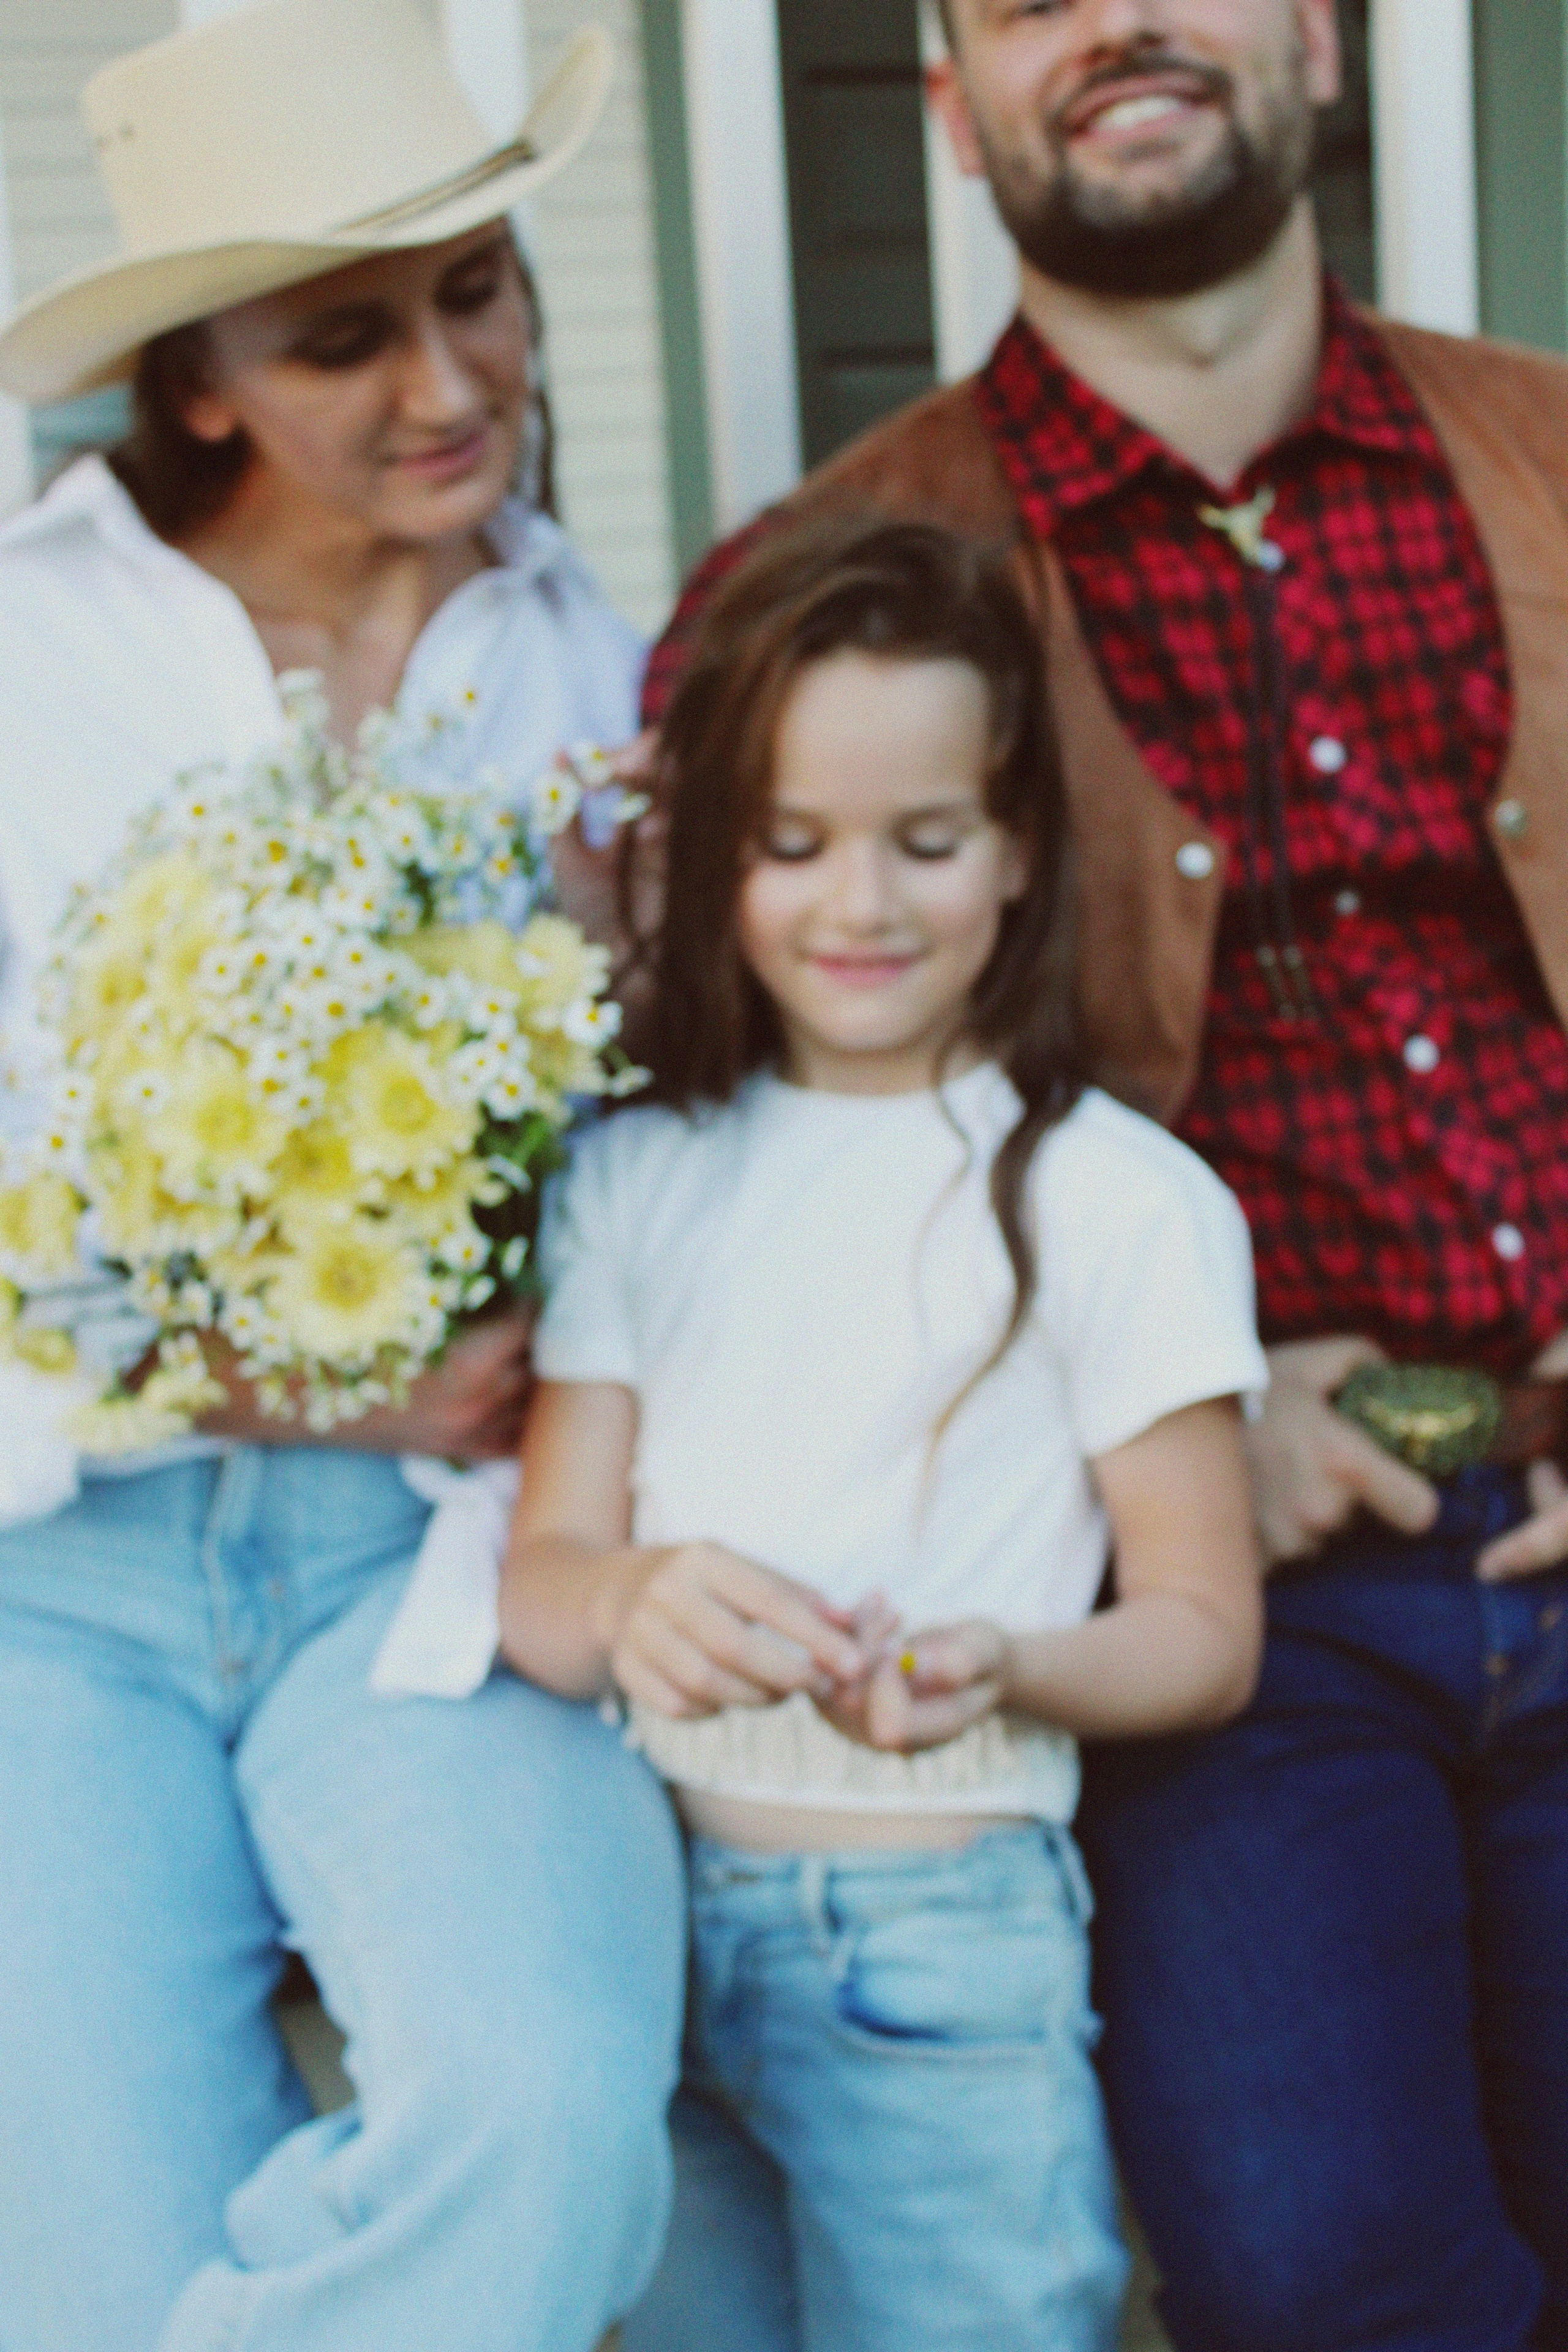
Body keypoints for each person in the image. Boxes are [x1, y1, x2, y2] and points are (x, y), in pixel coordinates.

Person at [638, 4, 1568, 2348]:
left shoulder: (1556, 455)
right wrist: (1148, 1409)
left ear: (1328, 44)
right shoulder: (834, 596)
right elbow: (709, 1163)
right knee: (1320, 2259)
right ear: (948, 107)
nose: (1122, 19)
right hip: (1224, 1613)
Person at [0, 5, 684, 2349]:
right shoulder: (25, 660)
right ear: (197, 382)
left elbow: (660, 1162)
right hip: (46, 1575)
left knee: (554, 2120)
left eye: (478, 288)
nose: (448, 382)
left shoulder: (590, 663)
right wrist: (232, 1369)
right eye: (343, 338)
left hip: (434, 1570)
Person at [499, 519, 1267, 2352]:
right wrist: (634, 1601)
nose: (860, 906)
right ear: (715, 857)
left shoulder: (1120, 1202)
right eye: (791, 846)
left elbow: (1205, 1634)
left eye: (925, 843)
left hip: (947, 1944)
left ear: (1016, 854)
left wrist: (1008, 1659)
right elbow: (541, 1583)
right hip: (647, 1925)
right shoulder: (637, 1176)